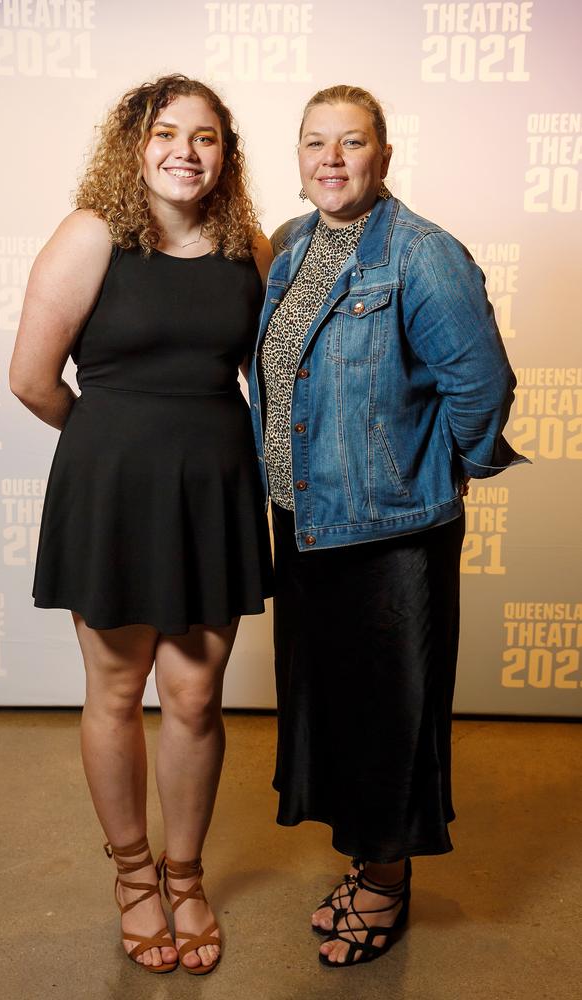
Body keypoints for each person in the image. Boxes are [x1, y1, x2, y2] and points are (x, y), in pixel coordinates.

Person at [248, 84, 527, 968]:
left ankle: (386, 880)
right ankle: (366, 858)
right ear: (297, 159)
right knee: (334, 707)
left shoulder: (423, 254)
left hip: (390, 536)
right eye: (315, 143)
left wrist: (426, 480)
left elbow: (482, 389)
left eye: (352, 142)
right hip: (307, 525)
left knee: (390, 716)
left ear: (384, 156)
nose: (332, 159)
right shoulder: (291, 248)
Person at [10, 74, 273, 976]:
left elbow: (280, 373)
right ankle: (132, 879)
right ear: (134, 143)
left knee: (196, 696)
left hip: (214, 492)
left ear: (226, 153)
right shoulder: (92, 236)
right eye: (167, 133)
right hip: (115, 490)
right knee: (118, 693)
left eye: (207, 138)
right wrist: (112, 447)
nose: (186, 152)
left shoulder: (250, 245)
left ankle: (187, 874)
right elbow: (33, 380)